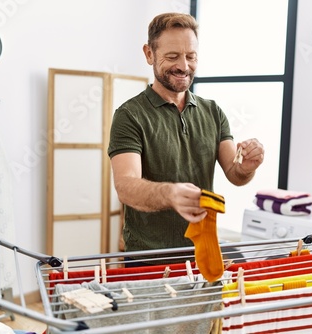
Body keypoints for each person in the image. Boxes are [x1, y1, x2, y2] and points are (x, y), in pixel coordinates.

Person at [108, 12, 264, 264]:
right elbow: (126, 186)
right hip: (148, 258)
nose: (183, 66)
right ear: (149, 54)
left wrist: (247, 167)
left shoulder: (213, 112)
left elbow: (235, 174)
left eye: (191, 57)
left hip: (204, 252)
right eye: (172, 57)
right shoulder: (130, 115)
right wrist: (170, 194)